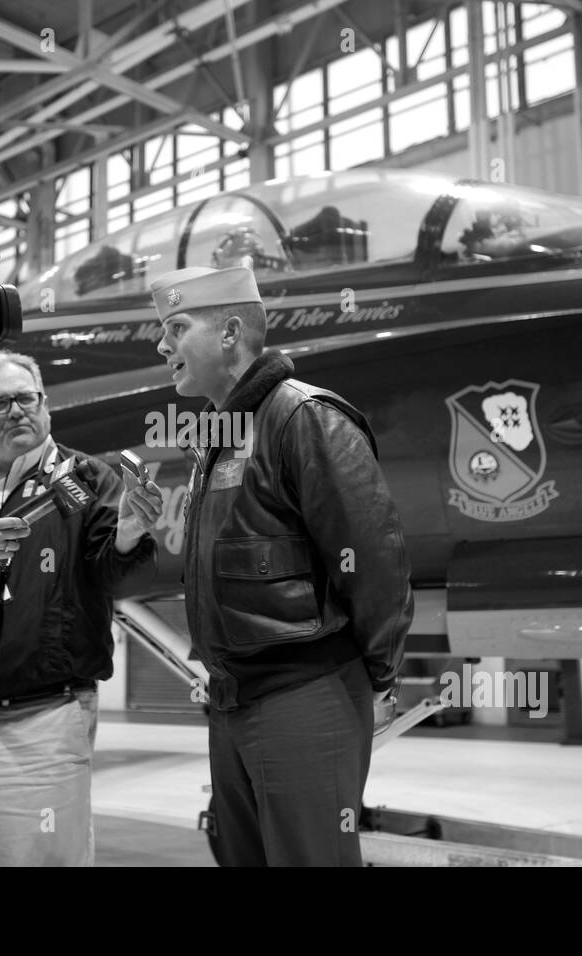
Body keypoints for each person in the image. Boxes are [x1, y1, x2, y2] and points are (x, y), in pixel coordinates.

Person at [150, 265, 415, 867]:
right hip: (232, 701)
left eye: (175, 327)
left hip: (304, 695)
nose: (161, 345)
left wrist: (378, 676)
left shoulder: (305, 419)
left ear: (230, 331)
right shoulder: (219, 438)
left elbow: (374, 562)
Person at [0, 350, 162, 866]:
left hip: (40, 722)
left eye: (26, 398)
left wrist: (127, 534)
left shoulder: (87, 481)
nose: (16, 411)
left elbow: (113, 576)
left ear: (47, 406)